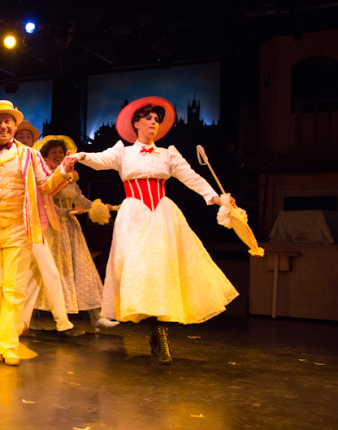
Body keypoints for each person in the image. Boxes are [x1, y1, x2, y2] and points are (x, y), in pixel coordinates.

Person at [72, 97, 239, 364]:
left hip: (161, 215)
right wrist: (80, 156)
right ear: (136, 123)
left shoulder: (168, 154)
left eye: (157, 120)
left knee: (162, 273)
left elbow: (191, 177)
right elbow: (99, 159)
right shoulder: (123, 153)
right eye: (148, 118)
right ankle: (152, 327)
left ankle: (159, 334)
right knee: (139, 270)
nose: (153, 122)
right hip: (135, 216)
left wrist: (215, 197)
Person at [0, 100, 76, 366]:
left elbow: (47, 186)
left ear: (14, 125)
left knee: (14, 289)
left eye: (8, 121)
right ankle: (17, 322)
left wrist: (64, 172)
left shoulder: (30, 155)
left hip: (19, 230)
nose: (3, 126)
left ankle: (9, 346)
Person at [36, 135, 119, 332]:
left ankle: (96, 316)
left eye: (60, 152)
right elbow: (43, 203)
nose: (57, 155)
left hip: (70, 229)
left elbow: (79, 198)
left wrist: (98, 207)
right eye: (53, 152)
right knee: (51, 274)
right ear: (46, 155)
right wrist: (67, 212)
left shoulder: (70, 176)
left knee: (83, 271)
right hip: (52, 227)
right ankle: (34, 317)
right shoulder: (44, 176)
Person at [14, 121, 84, 338]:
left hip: (40, 224)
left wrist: (64, 172)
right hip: (19, 225)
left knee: (36, 276)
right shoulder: (10, 160)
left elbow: (48, 185)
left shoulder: (36, 161)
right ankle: (59, 323)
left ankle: (23, 323)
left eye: (28, 137)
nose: (25, 140)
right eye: (21, 136)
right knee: (44, 274)